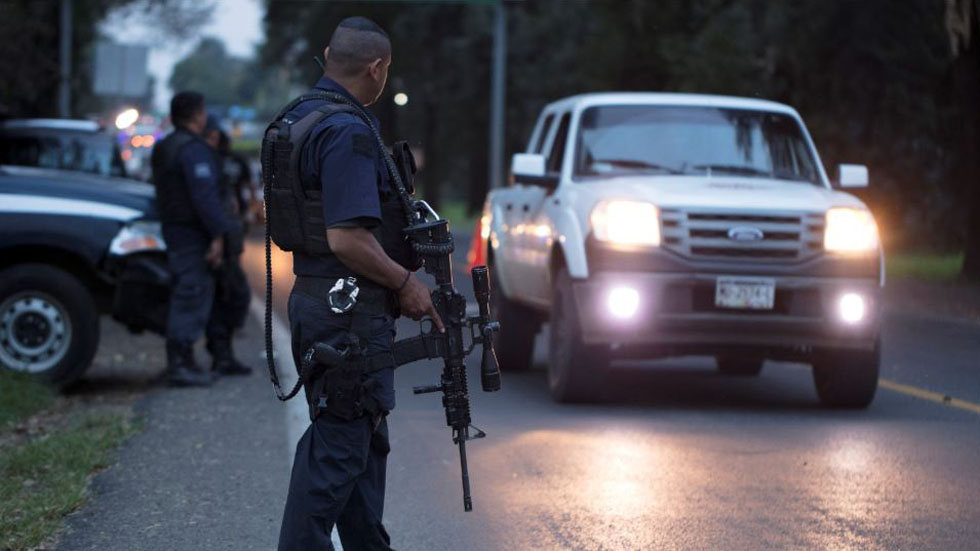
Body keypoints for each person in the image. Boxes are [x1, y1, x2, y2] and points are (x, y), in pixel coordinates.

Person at [272, 16, 443, 551]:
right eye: (386, 71)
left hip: (320, 304)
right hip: (348, 317)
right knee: (338, 453)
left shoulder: (301, 116)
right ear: (376, 69)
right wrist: (406, 284)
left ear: (327, 55)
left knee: (362, 449)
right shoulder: (347, 131)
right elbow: (347, 238)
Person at [151, 92, 229, 387]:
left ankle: (185, 362)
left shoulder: (164, 146)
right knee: (191, 293)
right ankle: (180, 364)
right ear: (198, 115)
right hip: (192, 234)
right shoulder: (193, 149)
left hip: (172, 228)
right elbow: (204, 197)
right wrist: (218, 235)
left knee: (187, 291)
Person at [200, 117, 253, 376]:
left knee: (232, 296)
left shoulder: (222, 163)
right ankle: (220, 354)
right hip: (217, 242)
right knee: (228, 297)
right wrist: (218, 239)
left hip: (228, 240)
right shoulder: (205, 163)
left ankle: (222, 353)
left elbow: (239, 194)